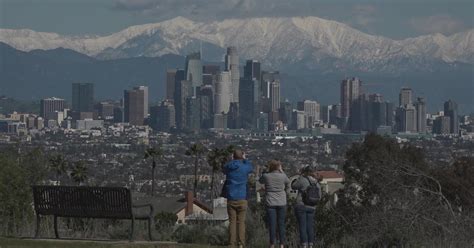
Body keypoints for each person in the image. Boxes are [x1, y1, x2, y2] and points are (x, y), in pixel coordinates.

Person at [223, 149, 253, 247]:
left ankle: (231, 244)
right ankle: (241, 243)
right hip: (242, 197)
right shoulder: (245, 167)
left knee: (232, 222)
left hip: (231, 197)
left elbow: (224, 167)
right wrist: (245, 159)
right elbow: (251, 168)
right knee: (241, 222)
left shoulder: (229, 167)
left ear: (233, 156)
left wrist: (232, 160)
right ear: (241, 156)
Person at [259, 160, 290, 248]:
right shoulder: (283, 176)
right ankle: (282, 244)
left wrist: (266, 171)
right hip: (282, 202)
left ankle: (272, 244)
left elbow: (260, 181)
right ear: (278, 167)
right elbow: (288, 182)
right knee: (281, 224)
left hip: (270, 202)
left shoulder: (266, 176)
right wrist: (282, 171)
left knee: (272, 224)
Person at [291, 166, 322, 248]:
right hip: (312, 207)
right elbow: (320, 196)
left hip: (301, 205)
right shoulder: (317, 184)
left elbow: (293, 186)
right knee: (310, 227)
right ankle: (311, 245)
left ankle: (304, 245)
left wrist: (300, 176)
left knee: (302, 226)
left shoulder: (303, 180)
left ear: (306, 172)